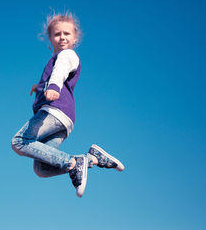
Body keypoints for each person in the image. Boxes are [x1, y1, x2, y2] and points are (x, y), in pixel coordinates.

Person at [11, 11, 124, 197]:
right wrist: (39, 86)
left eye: (66, 33)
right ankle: (91, 159)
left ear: (75, 37)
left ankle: (73, 163)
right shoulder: (58, 59)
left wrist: (53, 86)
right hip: (64, 122)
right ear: (50, 39)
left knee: (20, 141)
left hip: (53, 112)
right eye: (57, 34)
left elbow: (60, 71)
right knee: (41, 168)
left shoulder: (66, 55)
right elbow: (56, 75)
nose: (62, 37)